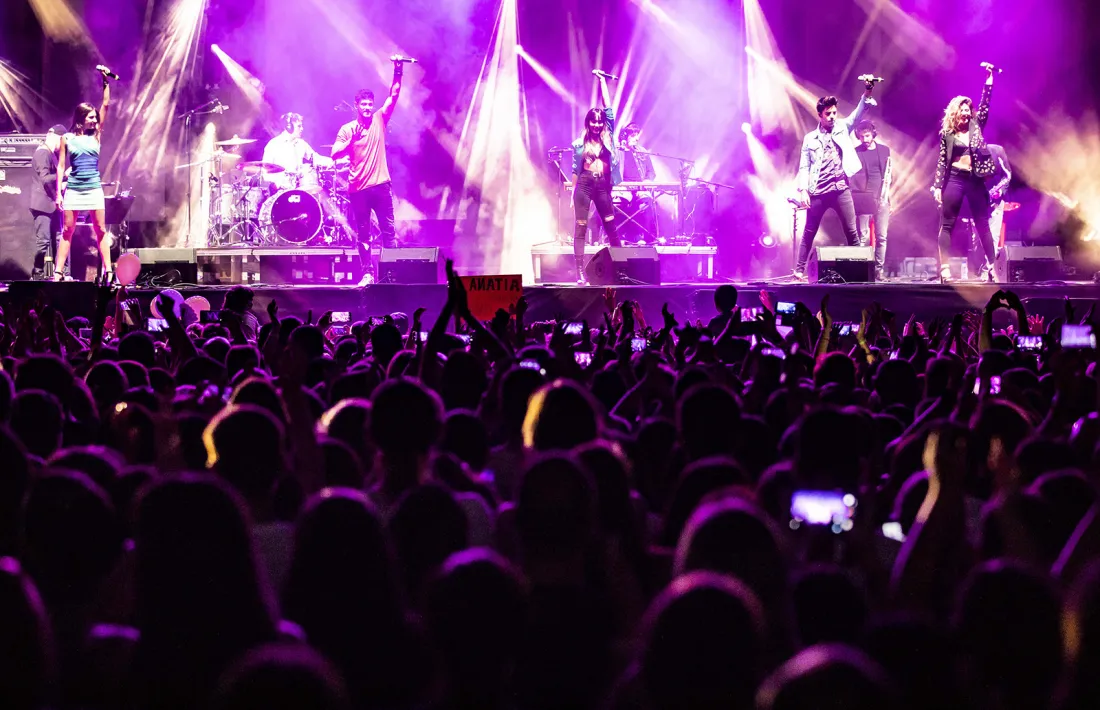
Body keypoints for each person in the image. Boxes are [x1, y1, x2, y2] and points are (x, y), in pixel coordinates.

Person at [331, 57, 406, 287]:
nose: (367, 107)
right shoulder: (347, 129)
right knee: (363, 235)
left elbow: (394, 95)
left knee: (388, 233)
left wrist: (398, 69)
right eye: (363, 104)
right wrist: (351, 139)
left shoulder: (379, 119)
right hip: (358, 190)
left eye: (369, 104)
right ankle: (367, 273)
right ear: (356, 106)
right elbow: (335, 154)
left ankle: (391, 274)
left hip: (381, 186)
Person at [792, 79, 877, 281]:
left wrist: (868, 90)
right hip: (818, 191)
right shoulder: (810, 139)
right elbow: (804, 166)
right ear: (820, 115)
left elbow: (858, 113)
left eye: (834, 113)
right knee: (809, 232)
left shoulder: (842, 127)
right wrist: (803, 190)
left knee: (852, 231)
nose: (832, 117)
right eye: (827, 114)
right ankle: (798, 270)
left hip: (840, 188)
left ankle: (860, 271)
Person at [932, 65, 998, 283]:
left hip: (975, 180)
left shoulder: (976, 127)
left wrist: (989, 80)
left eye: (969, 110)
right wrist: (937, 187)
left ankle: (992, 267)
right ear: (956, 112)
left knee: (983, 224)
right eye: (964, 110)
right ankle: (944, 270)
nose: (968, 112)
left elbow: (985, 105)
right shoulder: (948, 134)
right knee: (948, 224)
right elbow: (942, 161)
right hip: (955, 179)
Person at [54, 70, 111, 283]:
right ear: (81, 118)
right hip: (74, 188)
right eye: (91, 117)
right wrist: (58, 194)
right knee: (68, 230)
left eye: (96, 118)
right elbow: (61, 167)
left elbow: (105, 105)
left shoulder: (96, 135)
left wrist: (105, 81)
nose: (95, 120)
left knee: (101, 230)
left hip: (94, 187)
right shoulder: (66, 138)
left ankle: (109, 271)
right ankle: (58, 272)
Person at [570, 71, 622, 284]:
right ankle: (579, 272)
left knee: (610, 226)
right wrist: (572, 195)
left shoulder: (608, 135)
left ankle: (621, 269)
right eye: (593, 122)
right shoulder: (579, 144)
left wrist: (602, 81)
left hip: (602, 186)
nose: (597, 125)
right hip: (584, 185)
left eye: (599, 122)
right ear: (588, 123)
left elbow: (608, 109)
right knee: (580, 227)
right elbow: (575, 169)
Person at [851, 120, 892, 281]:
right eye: (861, 137)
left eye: (867, 136)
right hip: (863, 197)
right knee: (863, 236)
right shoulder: (856, 152)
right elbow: (852, 176)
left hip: (882, 198)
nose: (865, 140)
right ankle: (862, 271)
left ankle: (878, 271)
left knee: (882, 236)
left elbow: (888, 175)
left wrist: (889, 199)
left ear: (873, 134)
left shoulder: (884, 150)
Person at [29, 125, 68, 280]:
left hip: (52, 204)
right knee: (43, 241)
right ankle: (37, 275)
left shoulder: (51, 155)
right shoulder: (42, 153)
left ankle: (61, 273)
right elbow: (45, 179)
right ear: (58, 138)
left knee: (59, 239)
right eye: (63, 141)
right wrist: (63, 175)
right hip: (42, 205)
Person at [969, 143, 1011, 277]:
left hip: (996, 201)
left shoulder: (998, 151)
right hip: (977, 202)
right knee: (977, 240)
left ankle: (989, 270)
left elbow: (1007, 175)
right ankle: (980, 269)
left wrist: (1001, 191)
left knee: (993, 236)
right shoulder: (969, 155)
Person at [263, 112, 330, 192]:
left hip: (298, 190)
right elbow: (265, 172)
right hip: (280, 192)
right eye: (299, 126)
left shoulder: (301, 143)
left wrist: (335, 161)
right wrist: (277, 183)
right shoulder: (273, 144)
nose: (302, 129)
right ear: (289, 127)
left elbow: (316, 159)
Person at [616, 122, 658, 244]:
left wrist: (647, 181)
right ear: (625, 135)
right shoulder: (617, 151)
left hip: (640, 188)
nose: (637, 138)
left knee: (646, 203)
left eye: (637, 135)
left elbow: (651, 172)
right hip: (623, 188)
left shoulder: (642, 152)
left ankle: (643, 236)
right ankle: (621, 235)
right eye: (634, 135)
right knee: (620, 203)